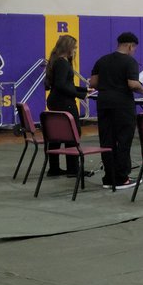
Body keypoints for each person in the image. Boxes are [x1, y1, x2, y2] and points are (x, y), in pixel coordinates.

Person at [89, 31, 143, 191]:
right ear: (130, 46)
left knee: (106, 140)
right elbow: (132, 84)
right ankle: (121, 178)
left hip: (104, 103)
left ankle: (108, 177)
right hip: (122, 104)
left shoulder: (102, 60)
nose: (134, 51)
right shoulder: (129, 61)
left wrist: (108, 87)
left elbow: (93, 83)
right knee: (123, 140)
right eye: (134, 49)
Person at [44, 34, 92, 178]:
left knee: (56, 135)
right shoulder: (63, 63)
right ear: (68, 47)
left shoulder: (56, 61)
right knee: (72, 134)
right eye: (74, 47)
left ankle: (54, 168)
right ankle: (73, 169)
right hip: (65, 102)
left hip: (55, 100)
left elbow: (64, 84)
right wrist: (80, 95)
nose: (75, 50)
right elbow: (62, 85)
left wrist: (84, 89)